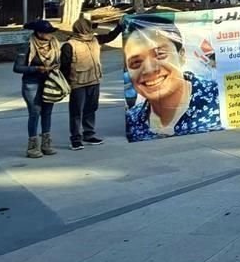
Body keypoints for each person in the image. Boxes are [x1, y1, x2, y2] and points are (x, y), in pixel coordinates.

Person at [123, 16, 222, 141]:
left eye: (160, 55)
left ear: (182, 55)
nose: (149, 69)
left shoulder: (219, 98)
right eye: (136, 63)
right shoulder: (132, 121)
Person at [60, 17, 122, 150]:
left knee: (91, 108)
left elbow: (110, 37)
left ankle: (89, 134)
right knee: (77, 111)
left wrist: (120, 26)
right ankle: (75, 138)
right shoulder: (69, 45)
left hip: (94, 81)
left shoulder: (95, 40)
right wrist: (67, 83)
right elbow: (64, 66)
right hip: (78, 83)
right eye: (89, 27)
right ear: (83, 29)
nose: (92, 30)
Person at [14, 19, 61, 158]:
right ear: (39, 33)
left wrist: (56, 67)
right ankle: (32, 146)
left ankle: (46, 144)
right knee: (35, 113)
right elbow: (17, 68)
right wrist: (36, 68)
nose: (50, 35)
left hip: (49, 82)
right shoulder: (27, 45)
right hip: (31, 83)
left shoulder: (54, 44)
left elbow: (58, 61)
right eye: (47, 33)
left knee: (47, 112)